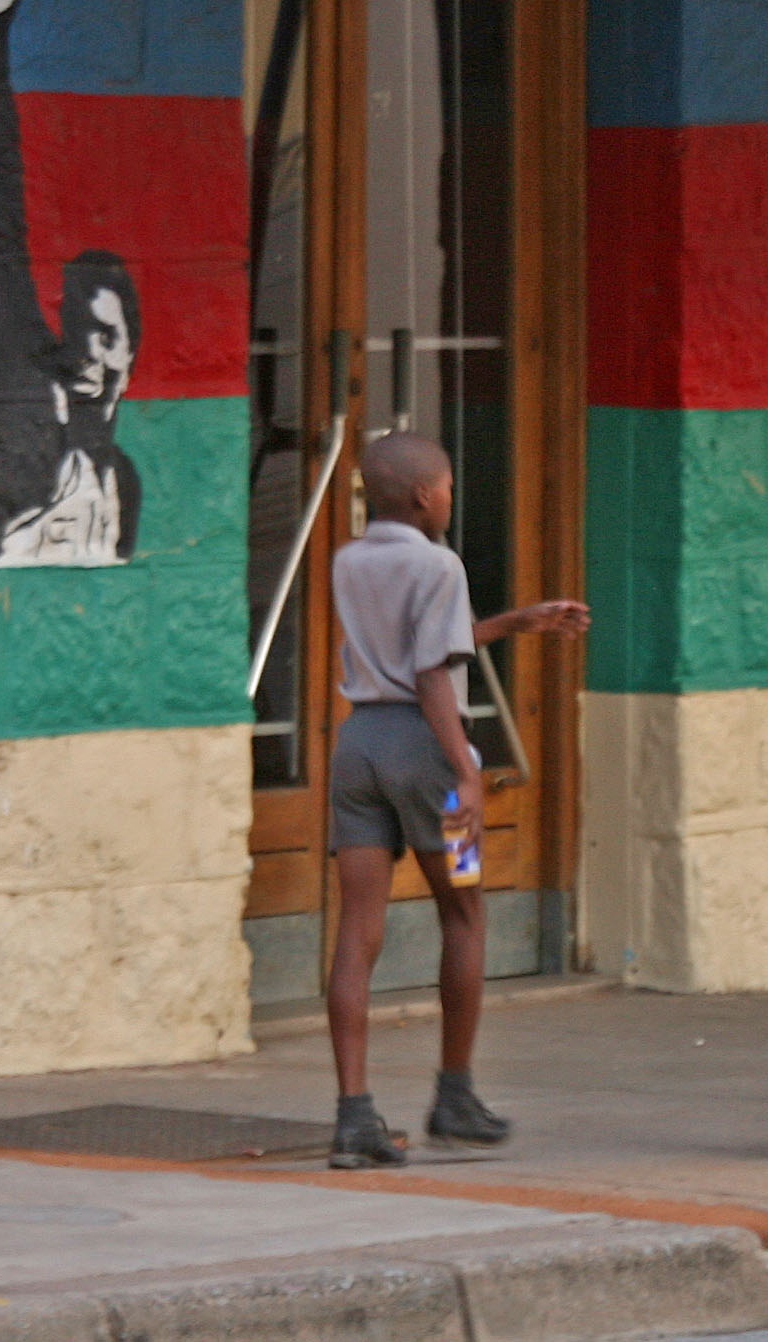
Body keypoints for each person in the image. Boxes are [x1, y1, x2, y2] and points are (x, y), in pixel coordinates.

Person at [325, 429, 587, 1168]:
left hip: (360, 750)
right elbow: (435, 676)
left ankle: (353, 1116)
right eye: (444, 488)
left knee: (357, 931)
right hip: (428, 754)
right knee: (464, 909)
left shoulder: (351, 560)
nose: (449, 498)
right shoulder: (440, 563)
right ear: (421, 497)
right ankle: (455, 1094)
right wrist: (467, 773)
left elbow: (421, 648)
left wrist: (514, 624)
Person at [0, 0, 145, 569]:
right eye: (78, 326)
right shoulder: (22, 383)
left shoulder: (122, 482)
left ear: (130, 351)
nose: (90, 350)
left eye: (105, 333)